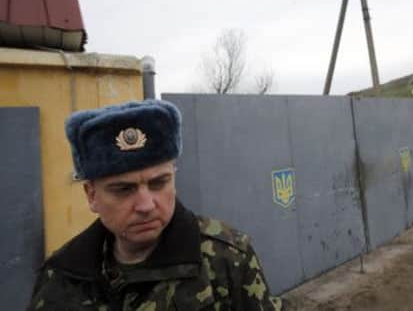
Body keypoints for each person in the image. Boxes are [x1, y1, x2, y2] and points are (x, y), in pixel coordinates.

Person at [28, 100, 282, 310]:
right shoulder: (60, 277)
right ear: (91, 195)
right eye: (124, 189)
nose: (146, 205)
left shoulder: (228, 259)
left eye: (158, 183)